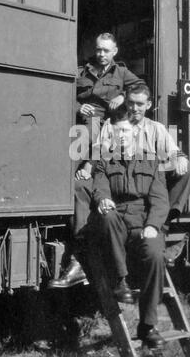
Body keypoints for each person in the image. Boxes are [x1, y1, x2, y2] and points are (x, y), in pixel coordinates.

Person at [48, 33, 142, 289]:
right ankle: (81, 245)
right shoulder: (81, 70)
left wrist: (124, 97)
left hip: (106, 127)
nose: (101, 54)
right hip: (81, 125)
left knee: (89, 162)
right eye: (98, 50)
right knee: (78, 181)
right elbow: (61, 91)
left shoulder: (122, 74)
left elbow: (142, 87)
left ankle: (88, 168)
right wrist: (79, 106)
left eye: (106, 51)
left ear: (115, 52)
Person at [89, 106, 170, 349]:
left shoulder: (151, 160)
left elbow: (160, 199)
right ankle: (121, 280)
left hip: (143, 221)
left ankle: (148, 325)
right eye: (116, 132)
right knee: (107, 216)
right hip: (117, 222)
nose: (121, 136)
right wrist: (102, 199)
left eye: (125, 130)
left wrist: (154, 225)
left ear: (134, 132)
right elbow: (100, 187)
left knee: (155, 255)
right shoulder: (105, 161)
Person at [100, 84, 190, 224]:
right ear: (125, 102)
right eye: (131, 103)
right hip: (120, 179)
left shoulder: (156, 128)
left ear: (149, 105)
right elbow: (101, 156)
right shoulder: (111, 125)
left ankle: (163, 219)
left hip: (148, 178)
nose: (134, 108)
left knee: (189, 167)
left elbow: (172, 150)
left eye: (140, 104)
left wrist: (180, 157)